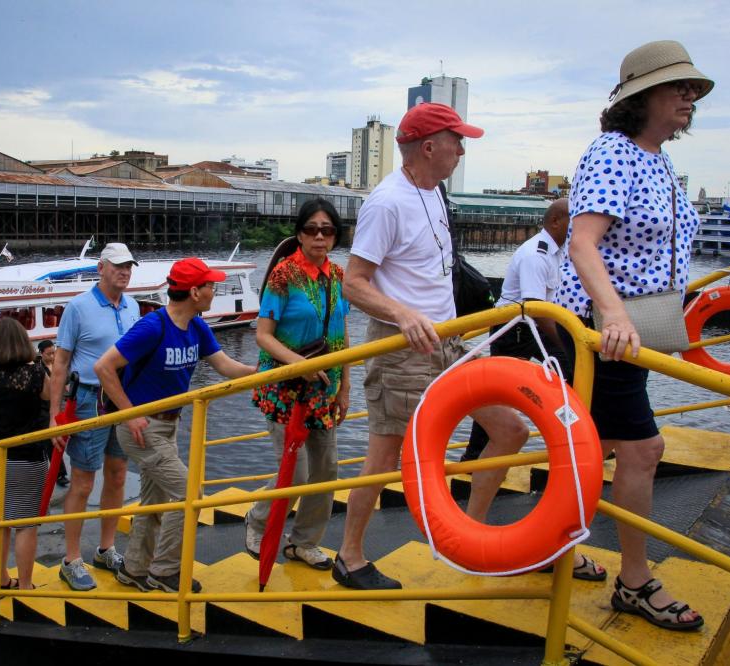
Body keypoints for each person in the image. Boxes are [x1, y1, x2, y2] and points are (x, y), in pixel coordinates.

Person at [336, 102, 529, 590]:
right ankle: (349, 556)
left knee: (510, 430)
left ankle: (471, 536)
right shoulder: (387, 202)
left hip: (448, 340)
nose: (462, 150)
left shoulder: (435, 193)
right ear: (428, 147)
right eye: (456, 140)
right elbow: (353, 283)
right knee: (384, 457)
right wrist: (403, 314)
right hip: (402, 346)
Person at [553, 40, 711, 631]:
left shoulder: (658, 160)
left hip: (635, 330)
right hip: (602, 334)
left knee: (596, 447)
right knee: (643, 449)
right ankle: (635, 582)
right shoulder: (614, 152)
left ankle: (555, 546)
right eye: (679, 87)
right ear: (643, 96)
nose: (690, 97)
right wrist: (614, 314)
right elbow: (582, 243)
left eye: (693, 89)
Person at [95, 258, 254, 593]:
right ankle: (165, 570)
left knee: (154, 501)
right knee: (188, 493)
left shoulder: (197, 327)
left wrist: (267, 372)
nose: (214, 291)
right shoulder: (153, 327)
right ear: (195, 292)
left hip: (168, 425)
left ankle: (134, 569)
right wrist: (129, 414)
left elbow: (226, 367)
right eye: (210, 286)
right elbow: (103, 367)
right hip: (142, 427)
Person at [244, 199, 351, 571]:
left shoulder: (337, 275)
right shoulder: (283, 275)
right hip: (286, 388)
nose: (319, 236)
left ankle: (303, 542)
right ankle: (257, 519)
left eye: (327, 230)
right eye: (311, 229)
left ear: (335, 235)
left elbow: (342, 334)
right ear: (300, 234)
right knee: (296, 471)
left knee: (327, 470)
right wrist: (297, 364)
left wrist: (345, 387)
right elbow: (263, 335)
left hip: (324, 388)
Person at [49, 243, 140, 591]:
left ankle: (106, 549)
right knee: (83, 480)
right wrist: (55, 415)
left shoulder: (132, 306)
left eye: (128, 266)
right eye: (118, 266)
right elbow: (60, 363)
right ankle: (71, 559)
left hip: (121, 396)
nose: (124, 272)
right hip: (88, 397)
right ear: (101, 268)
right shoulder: (78, 307)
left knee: (117, 474)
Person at [460, 200, 573, 460]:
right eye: (573, 218)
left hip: (536, 325)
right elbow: (535, 307)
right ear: (556, 221)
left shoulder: (560, 251)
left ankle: (577, 441)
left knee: (573, 374)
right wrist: (567, 341)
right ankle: (473, 455)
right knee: (499, 391)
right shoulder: (536, 254)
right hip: (516, 328)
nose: (579, 224)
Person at [0, 318, 52, 590]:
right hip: (27, 455)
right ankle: (25, 584)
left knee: (0, 519)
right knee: (26, 524)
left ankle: (2, 579)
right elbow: (51, 396)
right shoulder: (35, 374)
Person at [37, 339, 69, 488]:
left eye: (53, 353)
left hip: (57, 407)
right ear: (41, 354)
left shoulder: (58, 366)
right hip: (43, 409)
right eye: (49, 354)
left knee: (55, 439)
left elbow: (67, 385)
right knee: (51, 441)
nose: (52, 356)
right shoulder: (38, 370)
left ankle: (58, 472)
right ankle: (60, 474)